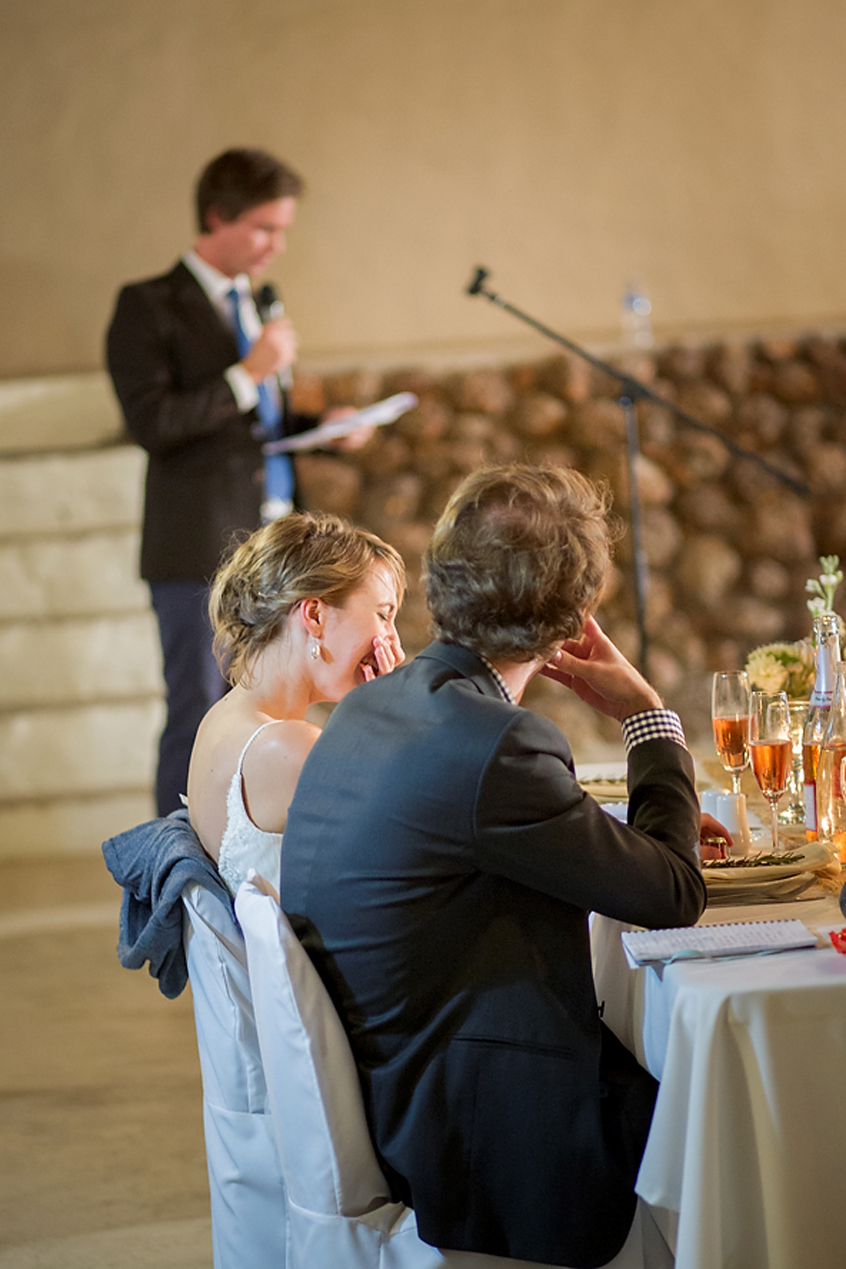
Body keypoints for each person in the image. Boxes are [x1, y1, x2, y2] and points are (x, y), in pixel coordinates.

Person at [279, 464, 707, 1269]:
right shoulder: (498, 744)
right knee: (730, 1106)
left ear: (442, 580)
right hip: (485, 1139)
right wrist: (648, 716)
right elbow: (675, 892)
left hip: (404, 1092)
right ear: (573, 617)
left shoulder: (375, 704)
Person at [106, 147, 369, 816]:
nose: (276, 246)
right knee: (198, 705)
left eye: (282, 230)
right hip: (198, 543)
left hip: (273, 543)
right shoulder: (148, 305)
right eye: (263, 229)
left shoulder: (257, 302)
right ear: (217, 216)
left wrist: (322, 426)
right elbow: (154, 422)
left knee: (269, 704)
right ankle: (172, 860)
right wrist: (249, 372)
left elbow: (252, 425)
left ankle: (250, 838)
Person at [186, 511, 405, 897]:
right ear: (315, 615)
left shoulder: (220, 718)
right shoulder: (289, 747)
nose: (394, 647)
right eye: (383, 615)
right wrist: (391, 715)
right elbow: (406, 854)